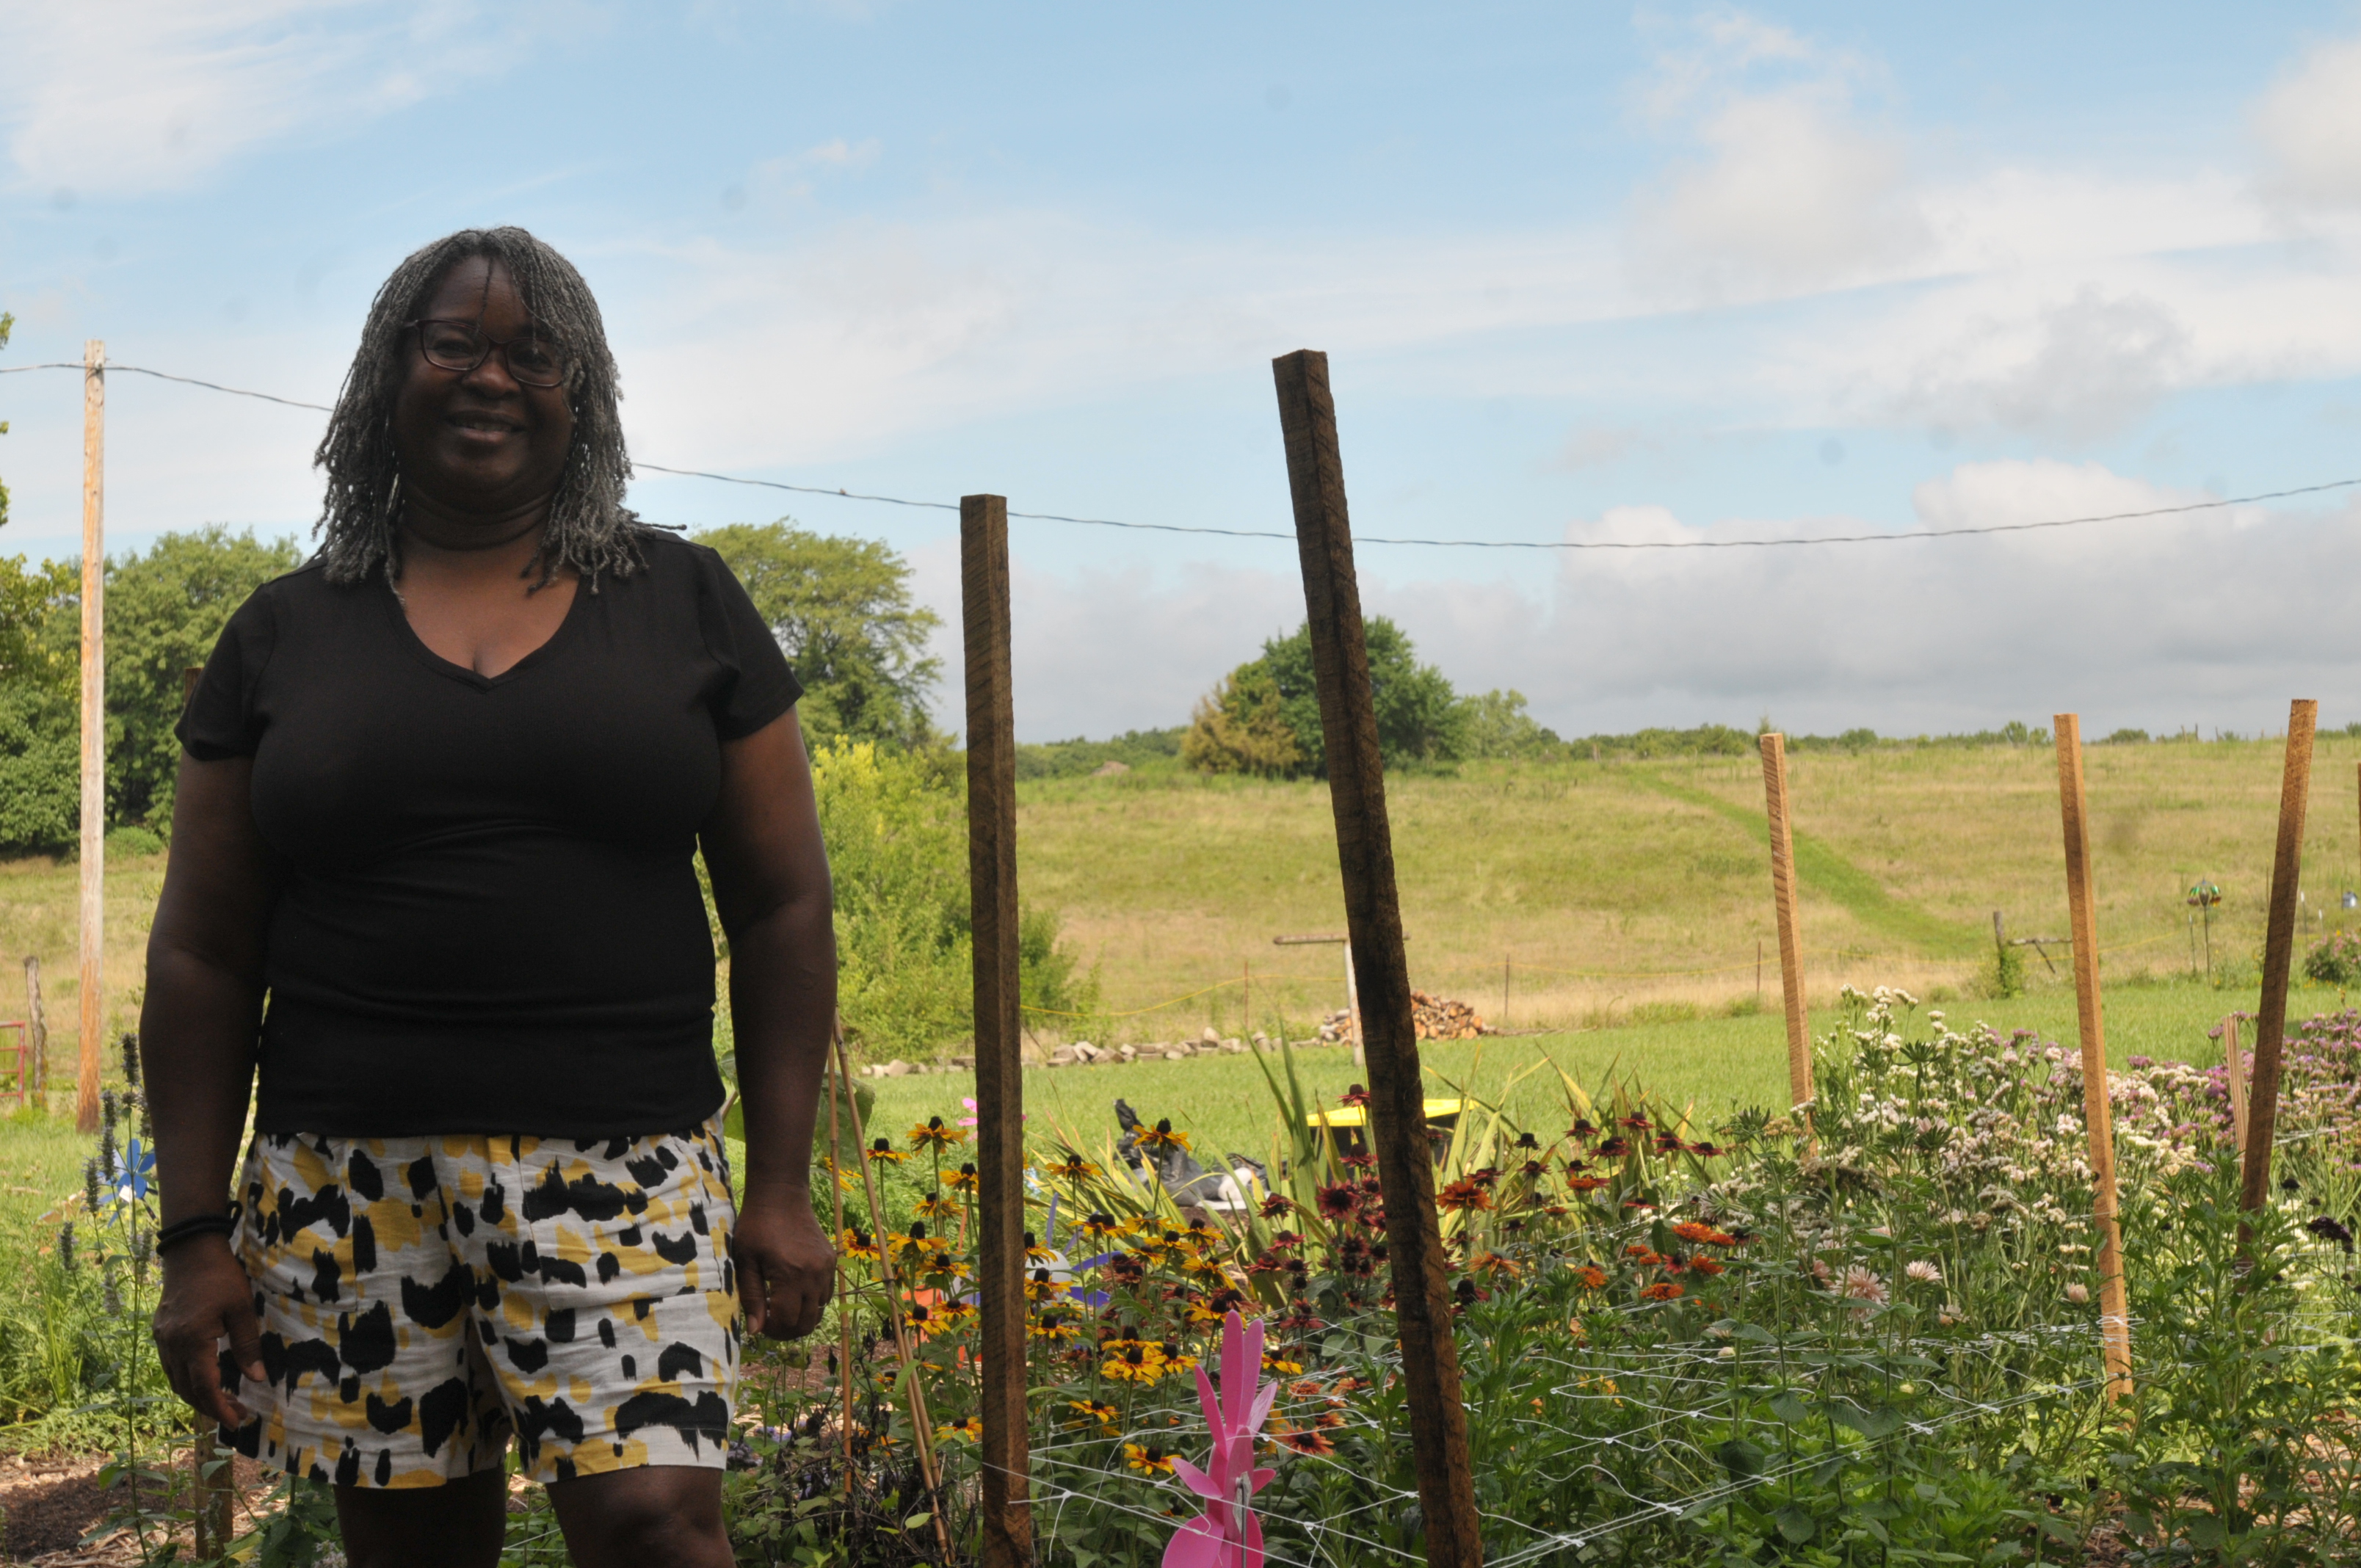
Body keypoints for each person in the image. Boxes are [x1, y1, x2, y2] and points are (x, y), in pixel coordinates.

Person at [140, 226, 838, 1568]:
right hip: (347, 1175)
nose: (491, 376)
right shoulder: (284, 632)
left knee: (658, 1532)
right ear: (384, 376)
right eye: (452, 342)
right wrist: (193, 1239)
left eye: (536, 353)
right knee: (410, 1556)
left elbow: (783, 906)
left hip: (622, 1161)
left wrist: (784, 1184)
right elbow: (204, 953)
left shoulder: (682, 600)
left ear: (587, 395)